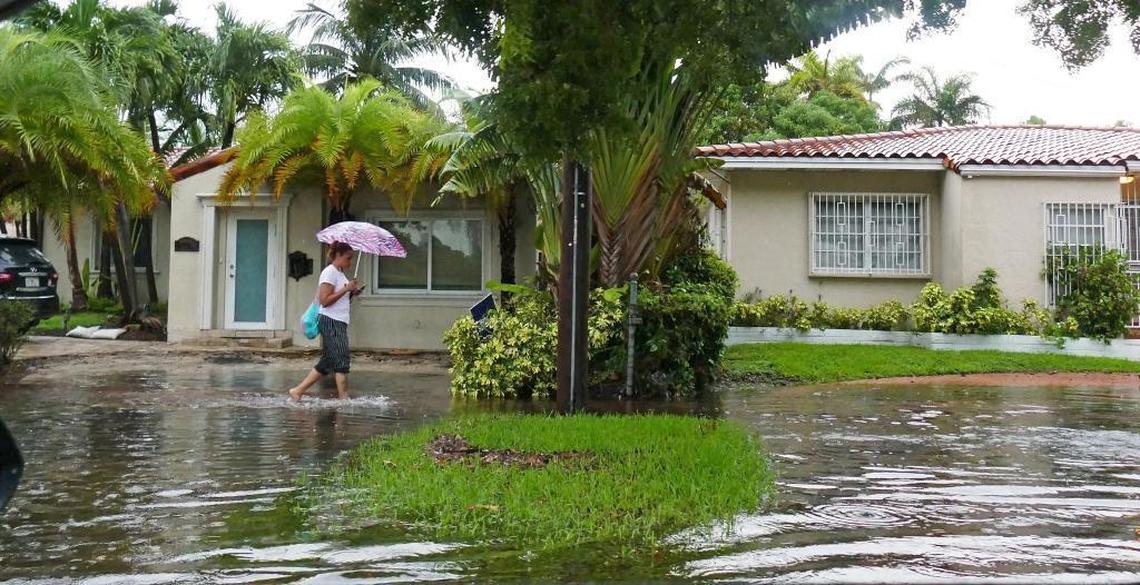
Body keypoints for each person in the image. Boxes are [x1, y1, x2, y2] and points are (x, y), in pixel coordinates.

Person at [288, 242, 362, 401]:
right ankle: (344, 398)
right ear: (338, 255)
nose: (350, 262)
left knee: (327, 362)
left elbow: (339, 300)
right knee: (342, 358)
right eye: (348, 258)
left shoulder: (340, 273)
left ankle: (297, 391)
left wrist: (351, 293)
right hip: (331, 321)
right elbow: (325, 300)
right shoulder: (329, 273)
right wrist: (346, 289)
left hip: (338, 321)